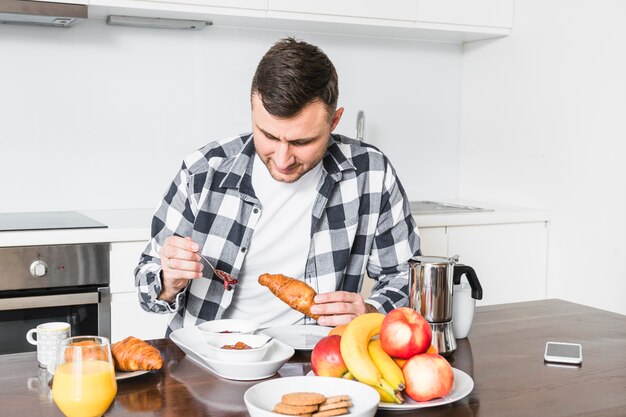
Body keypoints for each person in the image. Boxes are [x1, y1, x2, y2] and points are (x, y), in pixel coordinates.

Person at [135, 37, 420, 336]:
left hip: (315, 356)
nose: (283, 159)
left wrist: (370, 312)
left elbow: (405, 277)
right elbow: (146, 286)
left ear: (334, 121)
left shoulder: (371, 173)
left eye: (301, 141)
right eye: (269, 136)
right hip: (206, 355)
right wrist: (168, 281)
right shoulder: (204, 170)